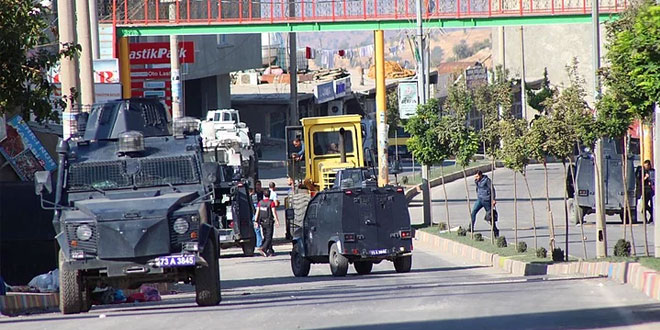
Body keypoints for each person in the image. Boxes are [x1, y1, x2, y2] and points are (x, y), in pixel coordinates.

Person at [470, 170, 499, 237]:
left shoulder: (487, 180)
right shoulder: (477, 181)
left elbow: (492, 189)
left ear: (480, 175)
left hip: (487, 200)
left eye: (477, 176)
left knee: (490, 216)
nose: (475, 177)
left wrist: (493, 199)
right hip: (480, 200)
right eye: (475, 176)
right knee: (473, 212)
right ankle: (471, 227)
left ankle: (495, 230)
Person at [254, 190, 280, 257]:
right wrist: (277, 220)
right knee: (269, 237)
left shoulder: (260, 203)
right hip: (269, 222)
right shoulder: (271, 203)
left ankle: (270, 251)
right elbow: (274, 212)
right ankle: (263, 248)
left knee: (265, 236)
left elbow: (257, 212)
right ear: (270, 194)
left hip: (262, 222)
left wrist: (256, 221)